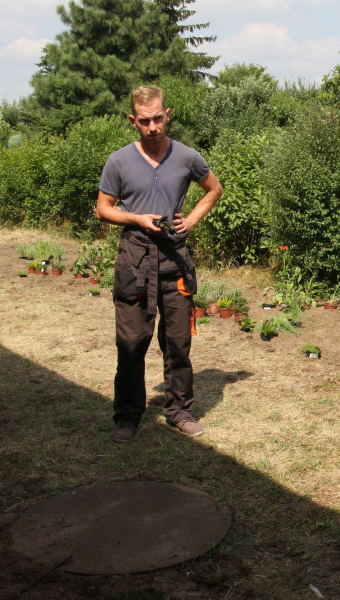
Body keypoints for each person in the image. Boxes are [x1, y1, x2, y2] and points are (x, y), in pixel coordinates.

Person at [95, 86, 222, 442]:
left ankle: (179, 410)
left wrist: (192, 219)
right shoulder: (119, 161)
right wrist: (136, 219)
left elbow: (214, 188)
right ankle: (127, 416)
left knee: (178, 341)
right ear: (133, 121)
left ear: (168, 114)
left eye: (157, 119)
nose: (152, 127)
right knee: (131, 343)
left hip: (175, 260)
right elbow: (103, 208)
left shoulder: (186, 156)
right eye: (144, 121)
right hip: (134, 261)